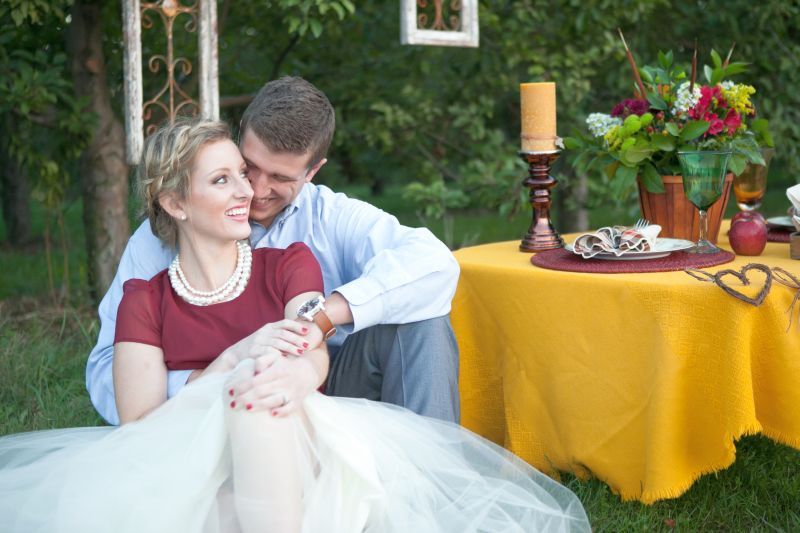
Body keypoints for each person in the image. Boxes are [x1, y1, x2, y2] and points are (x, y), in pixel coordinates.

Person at [0, 118, 591, 532]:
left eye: (249, 175)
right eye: (228, 177)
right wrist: (235, 360)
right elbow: (138, 419)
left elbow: (307, 346)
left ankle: (427, 501)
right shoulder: (143, 290)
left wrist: (279, 365)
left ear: (313, 171)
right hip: (191, 448)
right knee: (244, 406)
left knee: (269, 383)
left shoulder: (294, 258)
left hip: (295, 422)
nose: (250, 191)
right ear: (175, 205)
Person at [86, 76, 461, 426]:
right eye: (248, 168)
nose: (255, 190)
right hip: (199, 412)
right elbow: (107, 369)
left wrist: (324, 319)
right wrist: (220, 378)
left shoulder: (329, 219)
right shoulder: (158, 238)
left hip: (327, 391)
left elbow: (435, 264)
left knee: (422, 322)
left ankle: (428, 479)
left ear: (313, 171)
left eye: (281, 178)